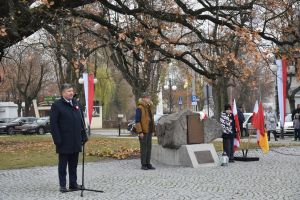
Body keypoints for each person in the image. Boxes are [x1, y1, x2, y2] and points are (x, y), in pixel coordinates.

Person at [50, 83, 88, 193]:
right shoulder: (57, 105)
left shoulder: (76, 103)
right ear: (62, 93)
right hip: (63, 141)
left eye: (72, 91)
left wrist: (83, 135)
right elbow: (53, 125)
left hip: (76, 140)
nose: (71, 93)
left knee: (73, 164)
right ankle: (62, 185)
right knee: (63, 165)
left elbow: (81, 121)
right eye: (68, 91)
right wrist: (57, 140)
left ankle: (73, 184)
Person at [135, 92, 155, 170]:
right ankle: (143, 164)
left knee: (149, 147)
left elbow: (151, 119)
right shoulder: (139, 108)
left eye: (149, 98)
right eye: (147, 98)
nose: (149, 99)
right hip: (143, 132)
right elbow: (137, 121)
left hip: (149, 130)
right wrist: (140, 132)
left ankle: (148, 163)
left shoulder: (149, 107)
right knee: (144, 148)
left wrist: (153, 130)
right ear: (143, 98)